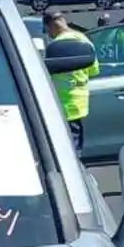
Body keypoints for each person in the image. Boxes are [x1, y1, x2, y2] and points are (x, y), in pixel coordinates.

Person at [43, 10, 97, 152]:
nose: (48, 34)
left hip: (59, 105)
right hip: (79, 104)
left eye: (47, 30)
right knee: (76, 147)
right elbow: (94, 70)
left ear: (50, 26)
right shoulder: (84, 40)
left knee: (64, 149)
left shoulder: (54, 47)